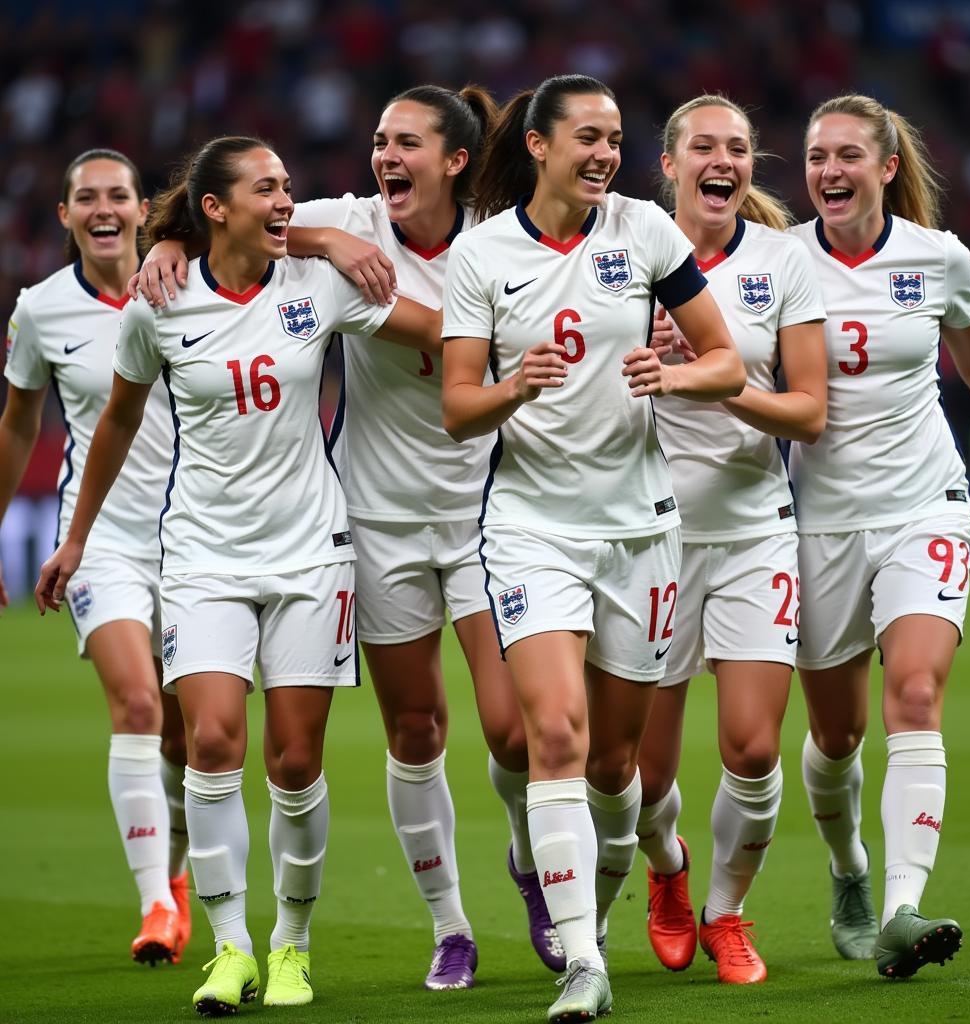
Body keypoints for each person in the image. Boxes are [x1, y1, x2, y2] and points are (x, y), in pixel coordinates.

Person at [132, 85, 558, 990]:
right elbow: (227, 220)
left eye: (406, 142)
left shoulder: (500, 233)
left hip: (489, 505)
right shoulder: (339, 219)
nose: (383, 156)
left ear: (454, 161)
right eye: (377, 141)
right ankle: (450, 926)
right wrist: (178, 242)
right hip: (371, 515)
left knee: (515, 734)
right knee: (414, 728)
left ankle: (533, 869)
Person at [35, 135, 444, 1014]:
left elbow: (441, 333)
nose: (287, 200)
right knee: (212, 744)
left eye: (290, 186)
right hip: (204, 556)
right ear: (216, 207)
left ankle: (292, 944)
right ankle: (230, 946)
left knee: (294, 763)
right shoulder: (160, 303)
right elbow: (113, 423)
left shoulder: (317, 284)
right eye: (268, 189)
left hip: (311, 552)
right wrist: (78, 538)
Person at [441, 74, 745, 1022]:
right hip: (532, 528)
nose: (606, 152)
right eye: (588, 136)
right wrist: (515, 389)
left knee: (620, 769)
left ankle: (641, 871)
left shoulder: (645, 234)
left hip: (641, 529)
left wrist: (680, 374)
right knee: (557, 739)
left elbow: (726, 356)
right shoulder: (482, 255)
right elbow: (458, 408)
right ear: (537, 145)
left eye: (615, 136)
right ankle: (583, 959)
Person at [789, 94, 970, 979]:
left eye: (848, 155)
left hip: (925, 503)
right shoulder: (777, 262)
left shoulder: (939, 259)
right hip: (816, 524)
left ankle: (898, 909)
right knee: (837, 739)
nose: (829, 172)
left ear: (888, 167)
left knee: (916, 696)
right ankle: (849, 866)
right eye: (816, 157)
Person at [634, 96, 827, 984]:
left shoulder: (783, 261)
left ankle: (725, 911)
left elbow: (808, 411)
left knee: (751, 748)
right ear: (668, 165)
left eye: (740, 148)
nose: (724, 161)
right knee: (636, 774)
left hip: (753, 526)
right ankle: (667, 871)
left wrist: (712, 382)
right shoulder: (621, 248)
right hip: (646, 534)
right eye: (703, 147)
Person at [0, 149, 191, 967]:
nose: (104, 208)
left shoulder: (192, 284)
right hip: (102, 538)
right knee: (138, 706)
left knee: (189, 741)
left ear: (144, 209)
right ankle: (153, 903)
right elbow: (18, 424)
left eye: (119, 195)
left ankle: (178, 881)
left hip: (198, 537)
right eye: (88, 197)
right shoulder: (39, 310)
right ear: (66, 215)